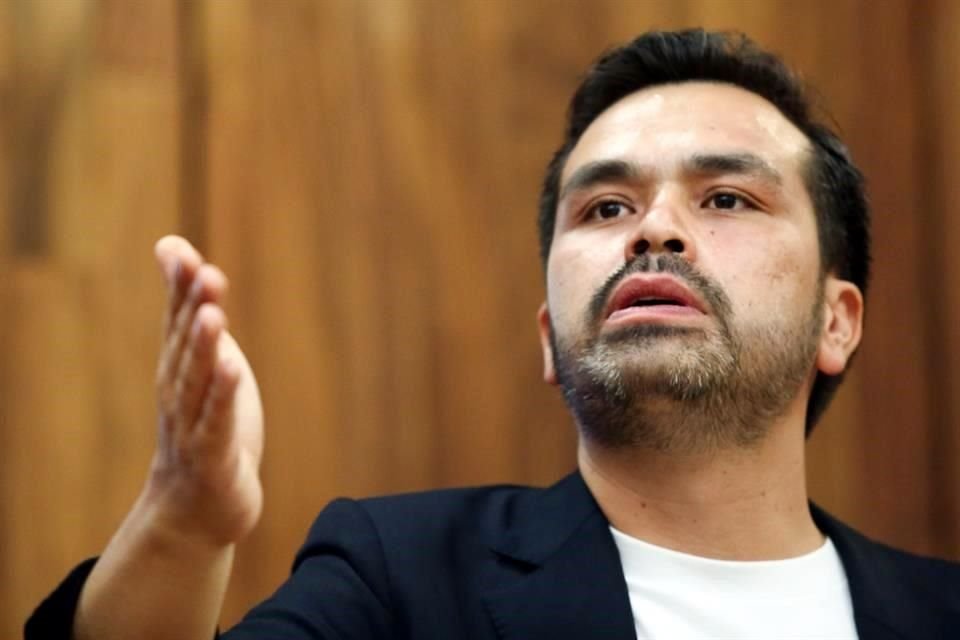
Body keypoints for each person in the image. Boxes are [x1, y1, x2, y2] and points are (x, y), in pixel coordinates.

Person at [26, 29, 960, 640]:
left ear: (837, 321)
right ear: (551, 339)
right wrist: (184, 524)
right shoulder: (402, 579)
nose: (654, 231)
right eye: (603, 207)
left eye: (724, 197)